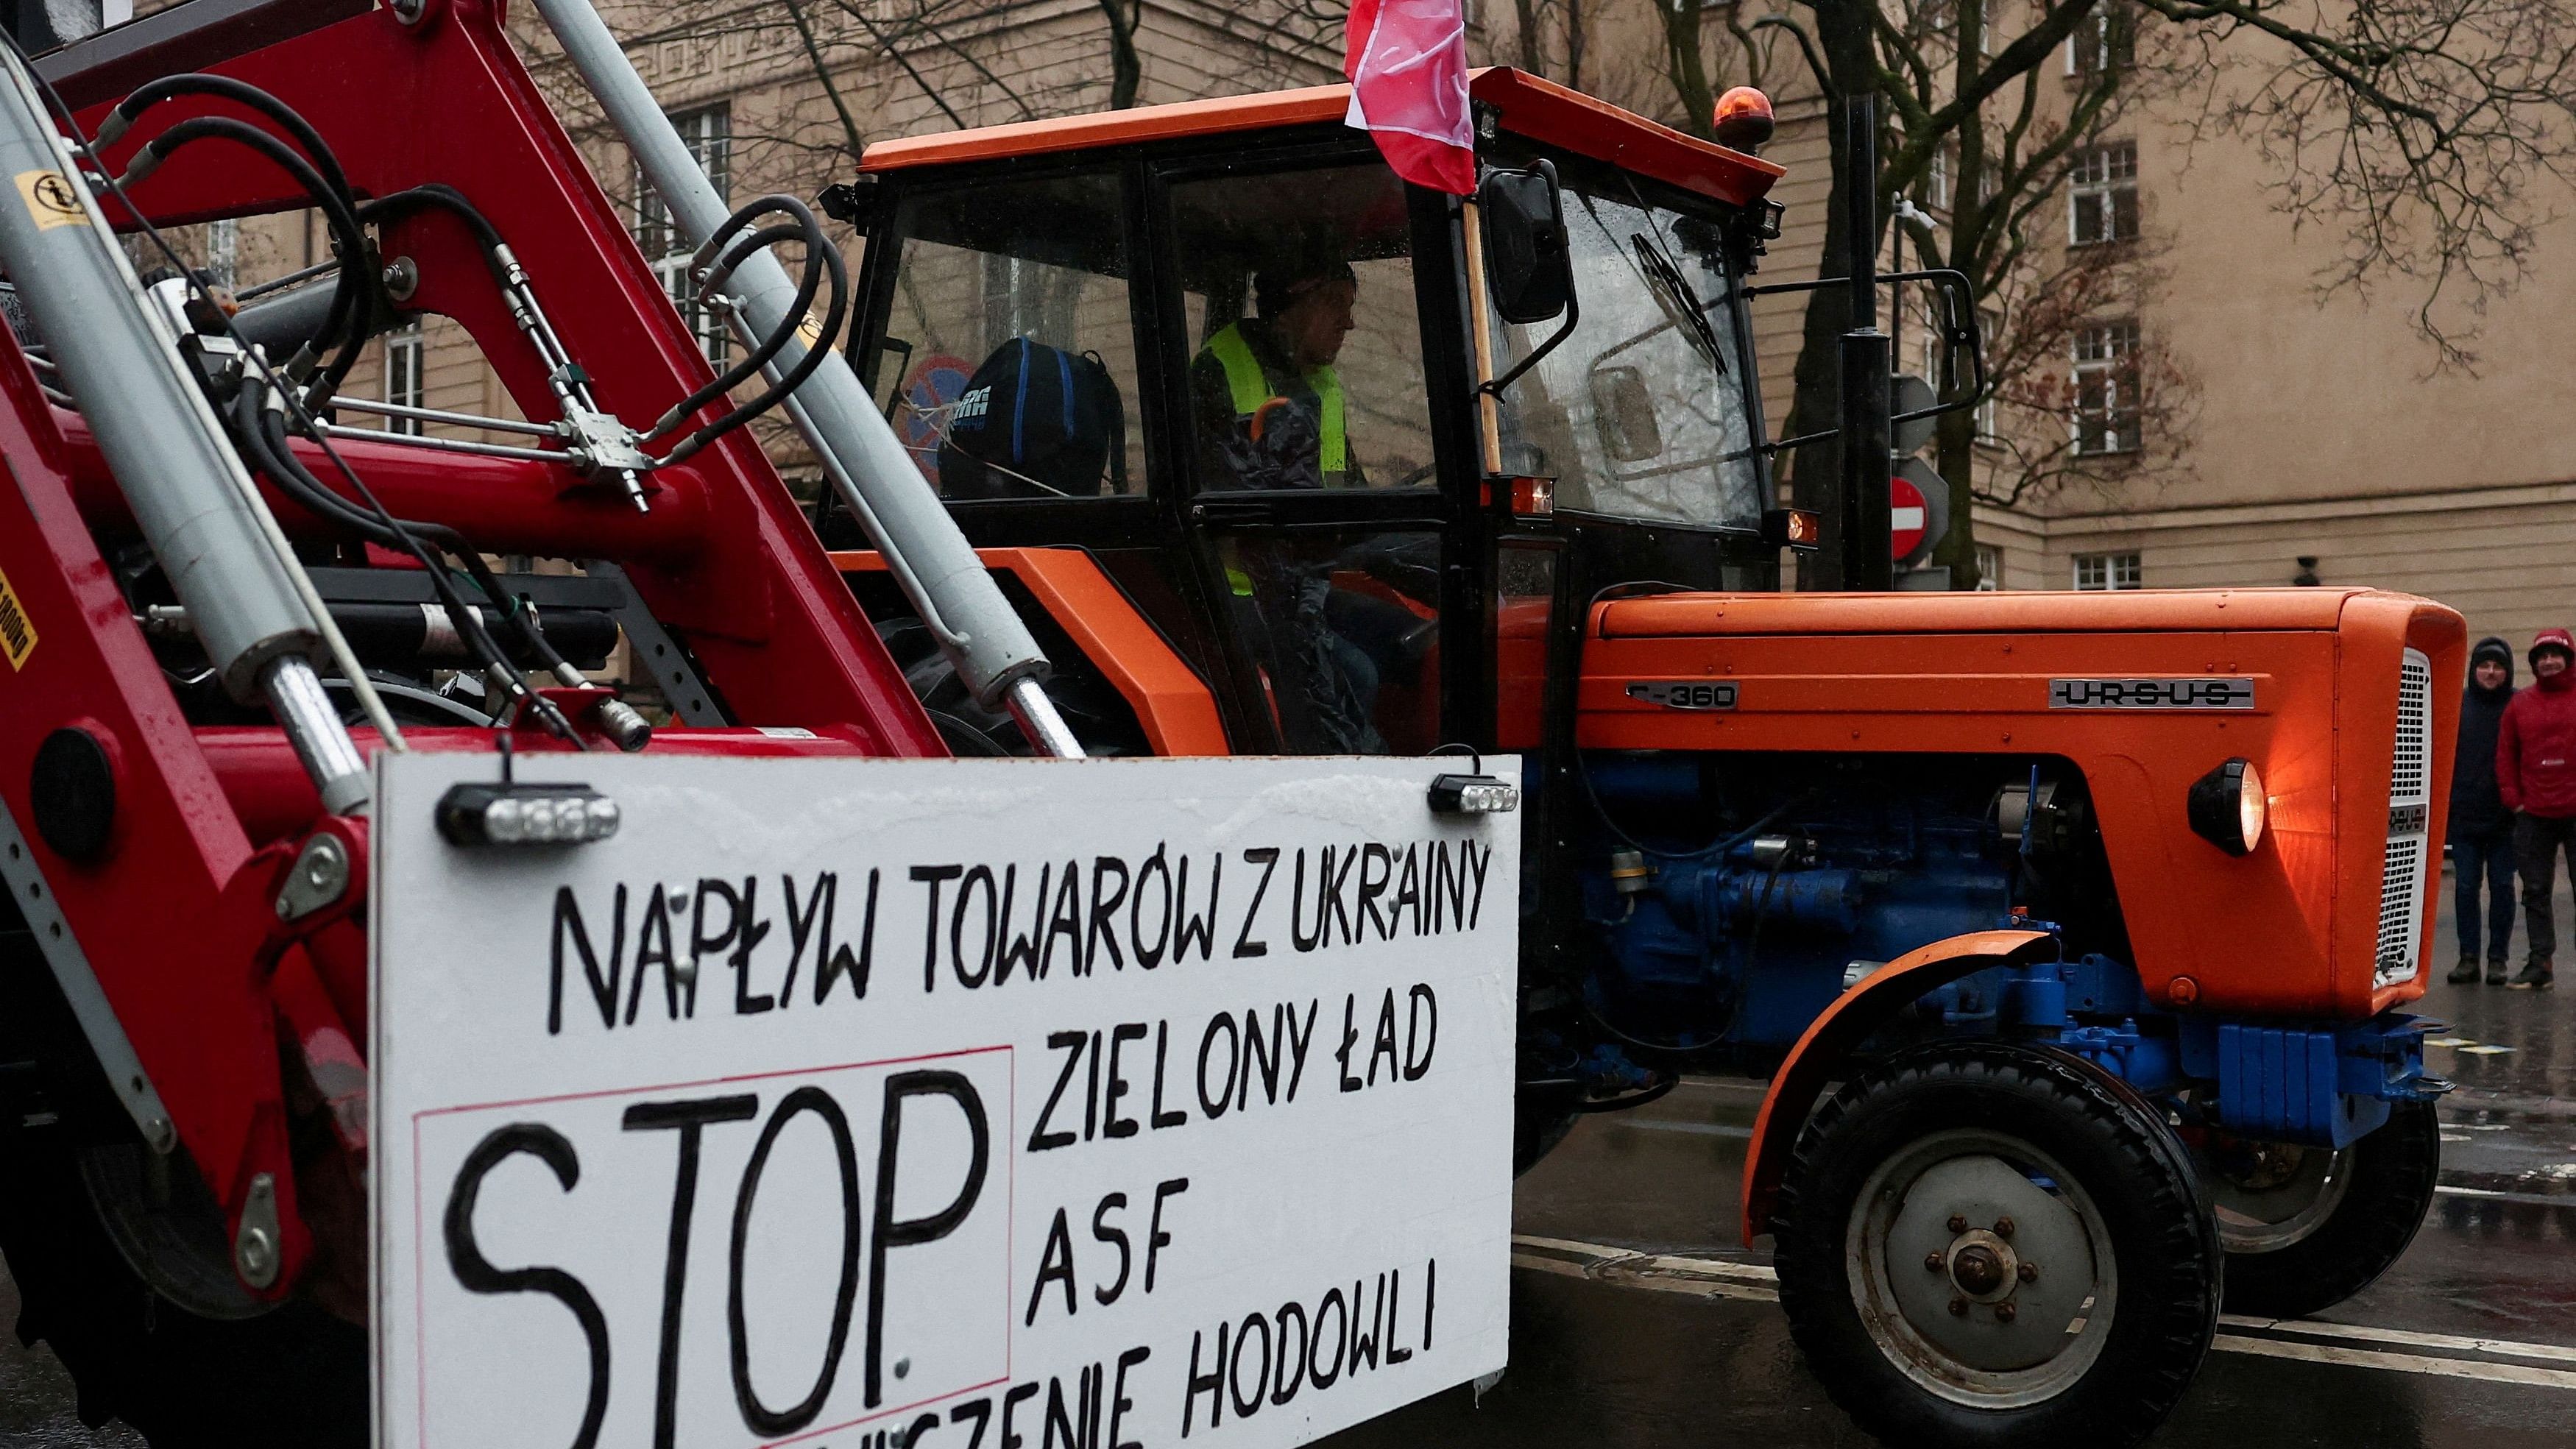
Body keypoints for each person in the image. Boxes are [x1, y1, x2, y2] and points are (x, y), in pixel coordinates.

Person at [1191, 256, 1362, 492]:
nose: (1348, 323)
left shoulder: (1322, 385)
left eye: (1349, 308)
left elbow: (1351, 491)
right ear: (1284, 310)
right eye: (1333, 303)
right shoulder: (1217, 373)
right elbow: (1228, 503)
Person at [2497, 627, 2576, 988]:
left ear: (2568, 659)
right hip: (2534, 815)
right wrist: (2514, 800)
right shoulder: (2520, 704)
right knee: (2535, 892)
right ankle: (2539, 963)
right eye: (2541, 657)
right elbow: (2506, 755)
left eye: (2554, 655)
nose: (2548, 662)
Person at [2449, 637, 2517, 983]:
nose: (2491, 672)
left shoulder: (2518, 706)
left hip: (2508, 820)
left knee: (2503, 887)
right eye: (2485, 665)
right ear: (2474, 669)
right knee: (2465, 888)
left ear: (2508, 671)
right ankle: (2469, 957)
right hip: (2464, 818)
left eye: (2498, 666)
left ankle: (2498, 959)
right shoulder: (2457, 707)